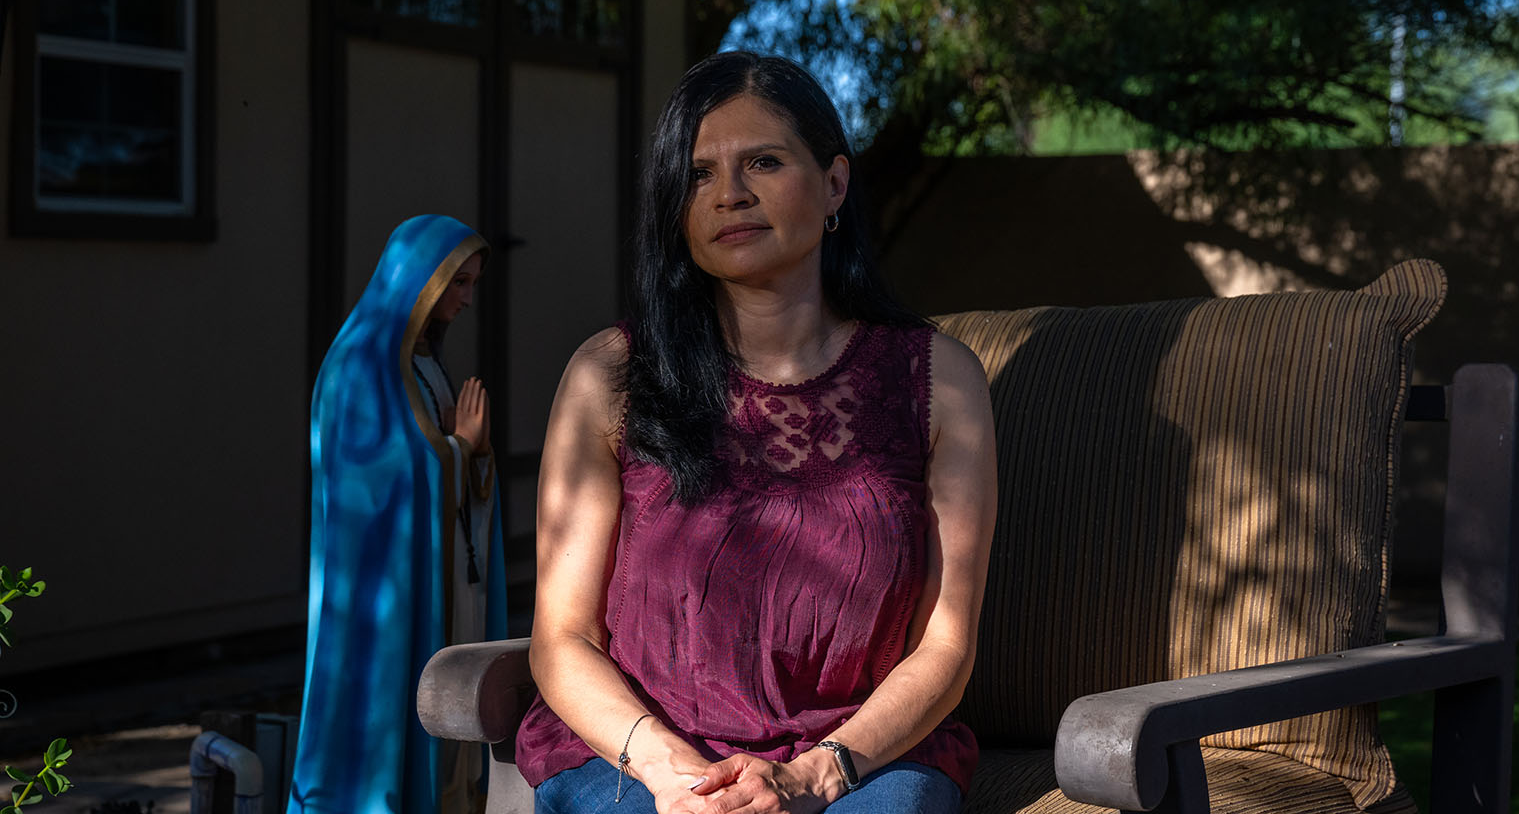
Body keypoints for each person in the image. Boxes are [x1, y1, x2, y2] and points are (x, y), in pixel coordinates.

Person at [514, 53, 998, 814]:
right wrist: (670, 772)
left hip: (858, 755)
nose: (729, 195)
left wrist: (816, 774)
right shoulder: (610, 374)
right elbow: (561, 638)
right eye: (699, 174)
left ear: (835, 183)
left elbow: (945, 646)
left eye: (763, 162)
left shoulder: (938, 381)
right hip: (637, 752)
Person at [290, 214, 507, 814]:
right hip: (379, 593)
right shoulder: (359, 367)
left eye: (471, 284)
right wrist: (460, 449)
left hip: (434, 570)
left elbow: (430, 460)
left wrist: (474, 455)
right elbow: (378, 479)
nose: (466, 298)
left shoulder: (420, 363)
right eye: (457, 283)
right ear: (418, 282)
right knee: (380, 703)